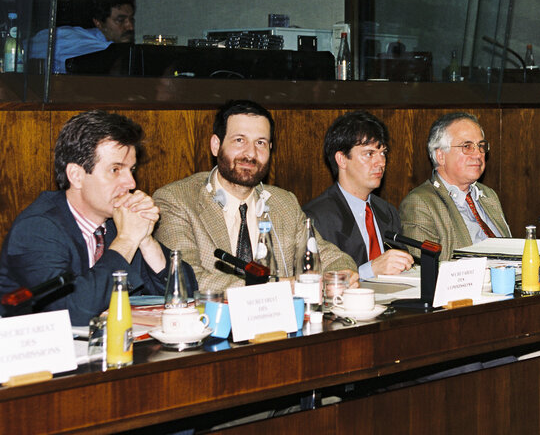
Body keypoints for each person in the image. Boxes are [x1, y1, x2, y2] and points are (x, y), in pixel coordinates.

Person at [0, 111, 196, 325]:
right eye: (115, 170)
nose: (131, 183)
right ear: (76, 175)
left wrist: (146, 240)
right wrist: (127, 240)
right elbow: (74, 312)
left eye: (131, 170)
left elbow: (187, 293)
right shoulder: (37, 229)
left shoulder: (116, 223)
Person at [153, 100, 358, 292]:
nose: (250, 154)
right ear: (216, 145)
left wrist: (342, 274)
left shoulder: (283, 202)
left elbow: (328, 255)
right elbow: (185, 278)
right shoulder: (176, 200)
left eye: (260, 143)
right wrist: (278, 288)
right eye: (239, 140)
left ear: (270, 149)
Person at [303, 111, 413, 279]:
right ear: (342, 159)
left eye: (383, 153)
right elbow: (316, 281)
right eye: (369, 154)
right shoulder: (316, 217)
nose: (381, 162)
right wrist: (369, 271)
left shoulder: (387, 211)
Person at [399, 112, 511, 260]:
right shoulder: (421, 203)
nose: (478, 154)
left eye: (481, 146)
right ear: (441, 156)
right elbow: (426, 271)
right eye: (467, 146)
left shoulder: (488, 195)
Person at [29, 0, 136, 73]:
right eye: (121, 20)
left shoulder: (130, 54)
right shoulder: (68, 37)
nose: (130, 27)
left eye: (131, 19)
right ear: (98, 23)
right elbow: (22, 51)